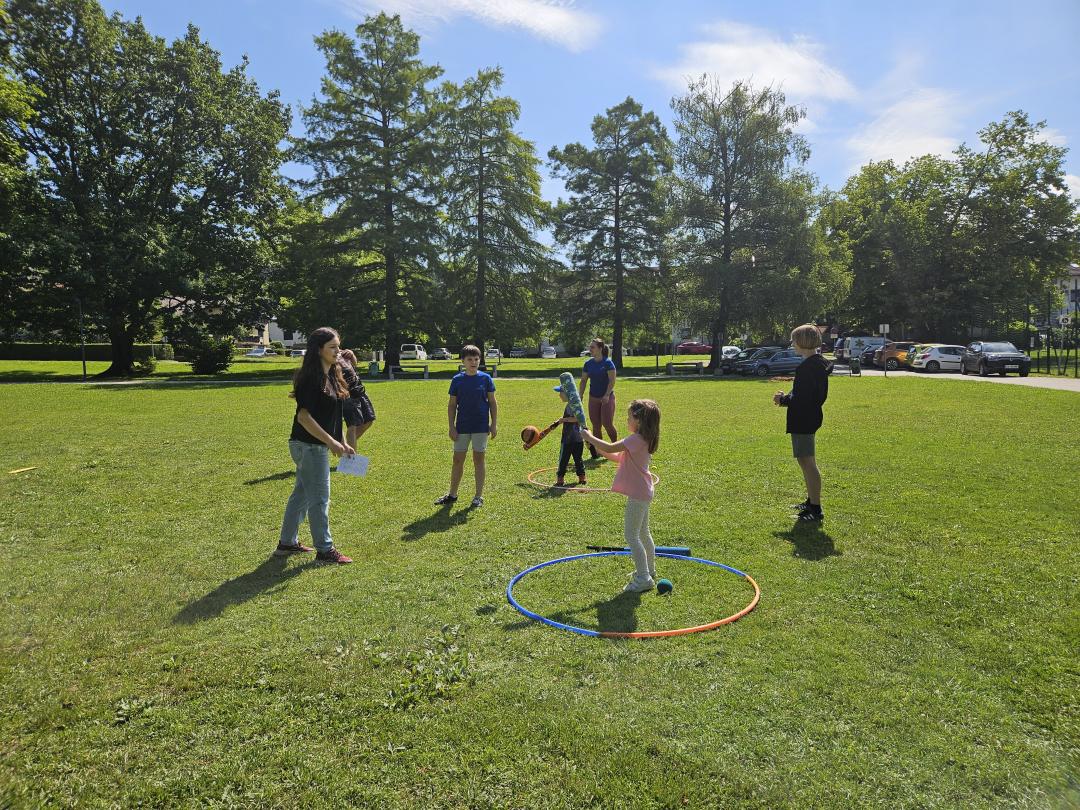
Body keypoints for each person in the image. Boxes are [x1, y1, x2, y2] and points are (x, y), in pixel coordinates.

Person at [277, 327, 355, 564]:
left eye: (338, 346)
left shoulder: (333, 373)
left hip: (315, 445)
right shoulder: (311, 378)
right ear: (318, 350)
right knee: (320, 498)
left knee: (301, 494)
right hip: (308, 445)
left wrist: (341, 441)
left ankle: (287, 542)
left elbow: (334, 415)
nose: (337, 351)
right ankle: (325, 549)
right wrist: (331, 442)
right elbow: (304, 417)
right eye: (332, 347)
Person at [581, 399, 661, 592]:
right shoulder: (642, 439)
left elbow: (610, 447)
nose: (626, 420)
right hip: (644, 491)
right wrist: (597, 448)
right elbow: (616, 455)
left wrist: (589, 436)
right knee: (643, 533)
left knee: (632, 536)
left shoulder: (635, 440)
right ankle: (649, 570)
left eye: (629, 417)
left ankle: (643, 578)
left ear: (639, 420)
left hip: (639, 493)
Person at [773, 324, 829, 522]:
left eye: (794, 340)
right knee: (805, 461)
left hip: (804, 419)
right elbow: (805, 394)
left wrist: (783, 400)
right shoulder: (817, 363)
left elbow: (803, 399)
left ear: (803, 342)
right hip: (809, 417)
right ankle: (811, 500)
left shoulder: (808, 367)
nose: (792, 344)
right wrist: (788, 396)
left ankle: (815, 508)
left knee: (807, 462)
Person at [435, 345, 497, 508]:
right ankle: (452, 494)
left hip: (481, 426)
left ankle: (478, 496)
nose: (474, 362)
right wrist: (451, 427)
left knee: (479, 460)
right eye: (470, 359)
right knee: (457, 460)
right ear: (463, 361)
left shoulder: (486, 379)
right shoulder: (457, 380)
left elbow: (492, 402)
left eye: (476, 359)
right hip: (462, 426)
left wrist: (494, 424)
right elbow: (452, 405)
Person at [578, 337, 617, 459]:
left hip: (607, 397)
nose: (590, 349)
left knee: (607, 423)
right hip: (593, 397)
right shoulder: (588, 364)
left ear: (600, 349)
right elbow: (583, 380)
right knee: (596, 425)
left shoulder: (608, 363)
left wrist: (606, 395)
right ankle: (600, 451)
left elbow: (612, 381)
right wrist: (580, 395)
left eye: (593, 347)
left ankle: (615, 446)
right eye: (590, 347)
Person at [337, 349, 376, 451]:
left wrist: (352, 354)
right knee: (353, 426)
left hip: (359, 390)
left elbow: (354, 364)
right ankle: (350, 461)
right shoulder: (328, 356)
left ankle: (344, 446)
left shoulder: (343, 353)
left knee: (368, 420)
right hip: (347, 394)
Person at [553, 385, 587, 489]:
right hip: (573, 438)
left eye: (561, 393)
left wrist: (563, 420)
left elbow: (577, 418)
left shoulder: (574, 405)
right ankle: (561, 478)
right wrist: (561, 421)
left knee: (575, 459)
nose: (559, 395)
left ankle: (581, 477)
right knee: (565, 459)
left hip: (572, 438)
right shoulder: (570, 404)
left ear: (567, 394)